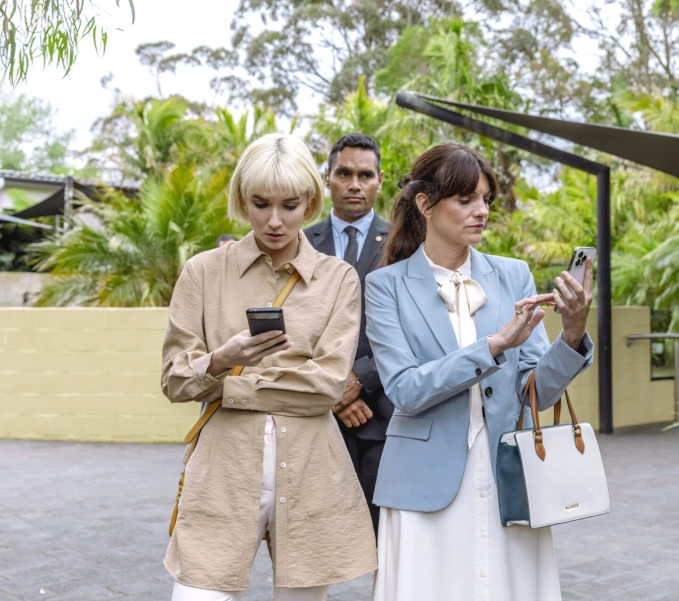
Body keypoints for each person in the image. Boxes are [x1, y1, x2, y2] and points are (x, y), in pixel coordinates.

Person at [364, 143, 595, 601]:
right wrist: (493, 345)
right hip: (423, 480)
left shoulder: (513, 275)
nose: (482, 211)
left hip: (508, 472)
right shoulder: (385, 285)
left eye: (486, 199)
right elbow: (405, 390)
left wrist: (572, 334)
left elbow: (536, 392)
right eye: (465, 199)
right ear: (425, 204)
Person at [161, 133, 377, 601]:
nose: (275, 220)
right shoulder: (202, 272)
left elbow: (326, 387)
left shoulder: (338, 279)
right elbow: (175, 380)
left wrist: (225, 385)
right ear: (243, 200)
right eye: (261, 204)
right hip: (221, 470)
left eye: (290, 205)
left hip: (312, 473)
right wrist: (224, 358)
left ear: (311, 202)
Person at [304, 133, 391, 535]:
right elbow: (293, 325)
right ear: (327, 177)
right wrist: (334, 393)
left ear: (379, 180)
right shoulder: (300, 243)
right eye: (344, 174)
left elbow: (412, 326)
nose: (355, 184)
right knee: (314, 539)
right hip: (314, 417)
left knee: (380, 541)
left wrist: (359, 380)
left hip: (379, 416)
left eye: (365, 175)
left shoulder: (405, 244)